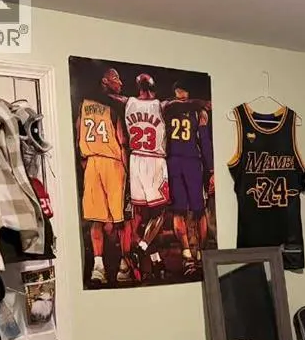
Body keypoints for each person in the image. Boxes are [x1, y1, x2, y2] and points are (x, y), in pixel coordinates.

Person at [105, 73, 210, 280]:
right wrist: (204, 103)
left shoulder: (127, 102)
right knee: (160, 213)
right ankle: (142, 249)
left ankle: (154, 260)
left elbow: (109, 97)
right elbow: (185, 104)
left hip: (135, 160)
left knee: (141, 217)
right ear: (153, 86)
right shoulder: (162, 106)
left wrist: (105, 87)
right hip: (155, 161)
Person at [77, 68, 136, 284]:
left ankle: (98, 267)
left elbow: (78, 135)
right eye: (116, 79)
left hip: (92, 162)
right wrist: (128, 174)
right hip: (113, 163)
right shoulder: (114, 107)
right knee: (121, 220)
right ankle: (123, 266)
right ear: (105, 81)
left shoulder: (83, 105)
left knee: (97, 220)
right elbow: (122, 141)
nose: (120, 83)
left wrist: (85, 162)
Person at [166, 81, 211, 277]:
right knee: (184, 210)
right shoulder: (190, 109)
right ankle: (191, 254)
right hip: (184, 161)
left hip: (183, 161)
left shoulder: (169, 108)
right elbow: (205, 141)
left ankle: (195, 254)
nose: (181, 93)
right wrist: (210, 168)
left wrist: (211, 170)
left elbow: (205, 140)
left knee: (195, 210)